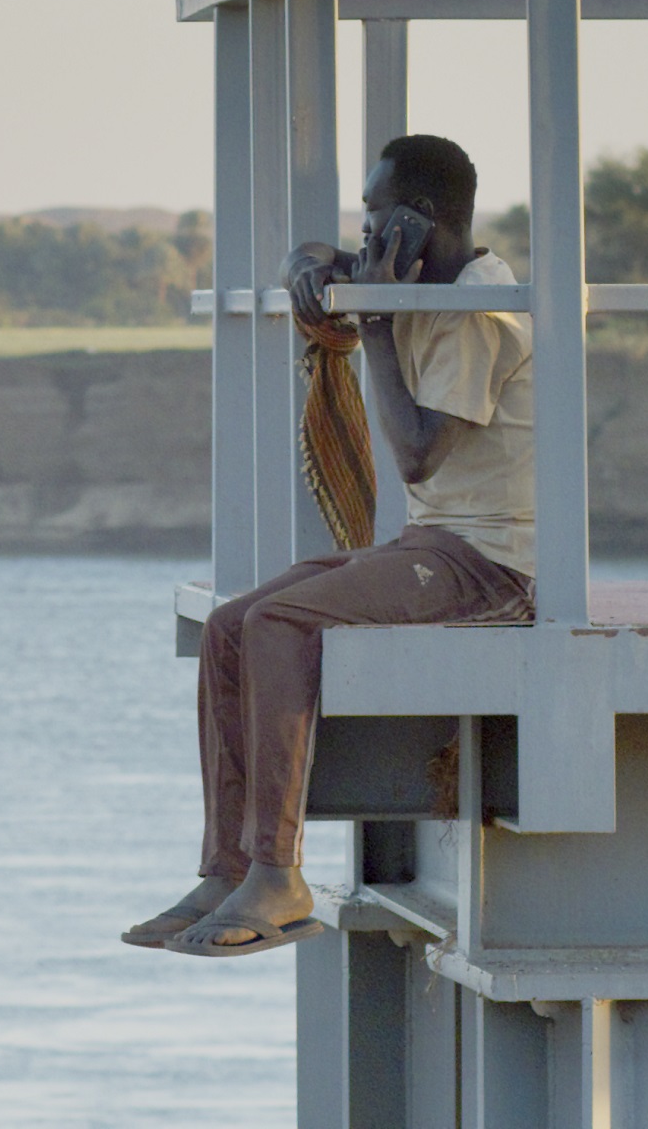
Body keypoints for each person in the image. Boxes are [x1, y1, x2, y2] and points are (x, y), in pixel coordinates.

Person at [125, 133, 537, 957]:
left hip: (493, 567)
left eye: (377, 215)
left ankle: (279, 875)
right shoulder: (424, 278)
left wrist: (374, 322)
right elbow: (319, 254)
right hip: (435, 544)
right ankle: (227, 867)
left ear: (420, 219)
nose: (366, 230)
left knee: (282, 624)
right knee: (233, 624)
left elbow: (418, 454)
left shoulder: (478, 311)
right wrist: (305, 266)